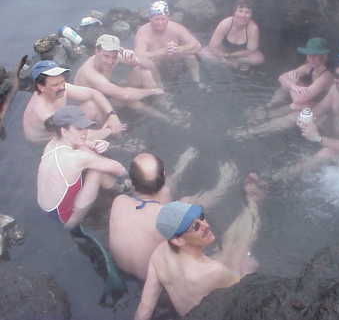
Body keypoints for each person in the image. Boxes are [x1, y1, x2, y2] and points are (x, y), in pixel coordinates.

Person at [134, 173, 267, 320]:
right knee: (239, 256)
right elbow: (247, 296)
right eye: (195, 226)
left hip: (187, 312)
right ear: (178, 240)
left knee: (229, 253)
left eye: (201, 217)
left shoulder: (159, 254)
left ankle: (250, 204)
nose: (206, 226)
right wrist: (247, 274)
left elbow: (145, 307)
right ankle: (253, 203)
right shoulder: (213, 271)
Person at [109, 149, 239, 281]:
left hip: (120, 269)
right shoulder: (167, 218)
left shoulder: (119, 201)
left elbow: (156, 196)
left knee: (167, 195)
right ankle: (226, 182)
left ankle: (181, 166)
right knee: (186, 203)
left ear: (132, 180)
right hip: (155, 279)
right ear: (164, 174)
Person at [273, 52, 339, 179]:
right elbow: (320, 109)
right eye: (337, 76)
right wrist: (306, 119)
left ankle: (277, 178)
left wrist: (317, 138)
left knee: (327, 153)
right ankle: (253, 132)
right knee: (299, 115)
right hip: (332, 136)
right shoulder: (336, 89)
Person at [37, 105, 129, 230]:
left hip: (47, 207)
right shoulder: (76, 158)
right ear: (64, 131)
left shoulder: (52, 144)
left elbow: (82, 143)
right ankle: (123, 189)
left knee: (91, 159)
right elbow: (119, 169)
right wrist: (131, 177)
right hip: (65, 217)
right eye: (79, 128)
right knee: (97, 171)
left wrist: (92, 144)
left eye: (85, 127)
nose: (84, 132)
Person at [74, 34, 176, 124]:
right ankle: (165, 119)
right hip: (94, 108)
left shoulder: (115, 55)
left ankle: (163, 103)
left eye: (113, 57)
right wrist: (152, 91)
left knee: (143, 72)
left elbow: (149, 64)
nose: (110, 61)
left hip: (107, 94)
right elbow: (125, 95)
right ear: (97, 51)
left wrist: (134, 61)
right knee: (131, 101)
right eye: (106, 56)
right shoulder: (90, 72)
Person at [23, 60, 125, 144]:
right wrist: (109, 131)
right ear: (41, 87)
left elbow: (94, 94)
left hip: (64, 127)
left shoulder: (60, 87)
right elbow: (73, 135)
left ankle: (120, 139)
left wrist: (112, 116)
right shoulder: (43, 112)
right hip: (47, 141)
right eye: (55, 85)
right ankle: (114, 135)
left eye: (62, 81)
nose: (62, 87)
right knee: (83, 144)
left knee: (92, 106)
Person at [134, 0, 202, 88]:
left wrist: (179, 49)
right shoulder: (143, 32)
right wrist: (162, 51)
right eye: (157, 19)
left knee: (191, 56)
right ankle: (160, 89)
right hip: (156, 65)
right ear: (150, 19)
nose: (160, 23)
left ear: (168, 18)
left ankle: (196, 82)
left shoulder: (176, 28)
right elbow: (138, 56)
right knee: (146, 64)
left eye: (163, 19)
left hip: (175, 61)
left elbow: (197, 45)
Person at [199, 0, 264, 71]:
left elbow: (250, 50)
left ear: (251, 15)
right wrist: (223, 55)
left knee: (259, 58)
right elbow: (212, 46)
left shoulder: (253, 28)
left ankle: (231, 63)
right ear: (234, 13)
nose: (243, 15)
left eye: (247, 12)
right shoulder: (225, 24)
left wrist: (231, 55)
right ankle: (232, 64)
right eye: (240, 11)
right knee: (203, 53)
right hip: (223, 51)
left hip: (241, 55)